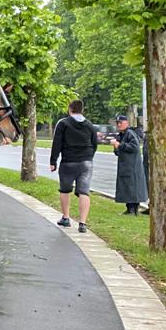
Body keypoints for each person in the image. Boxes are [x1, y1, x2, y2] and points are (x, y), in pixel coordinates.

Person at [49, 99, 98, 233]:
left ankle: (66, 217)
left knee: (65, 190)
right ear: (82, 110)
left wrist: (53, 161)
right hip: (86, 162)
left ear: (70, 109)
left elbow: (57, 143)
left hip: (68, 162)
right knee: (84, 191)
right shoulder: (89, 125)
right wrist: (89, 156)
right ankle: (82, 223)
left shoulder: (63, 123)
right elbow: (94, 143)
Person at [112, 113, 148, 215]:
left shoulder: (130, 133)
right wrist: (116, 147)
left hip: (132, 166)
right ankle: (130, 208)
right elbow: (118, 152)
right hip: (125, 165)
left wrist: (120, 145)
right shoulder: (121, 135)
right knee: (126, 187)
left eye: (121, 122)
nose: (119, 125)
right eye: (117, 123)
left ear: (126, 123)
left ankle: (133, 209)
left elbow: (134, 147)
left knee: (132, 187)